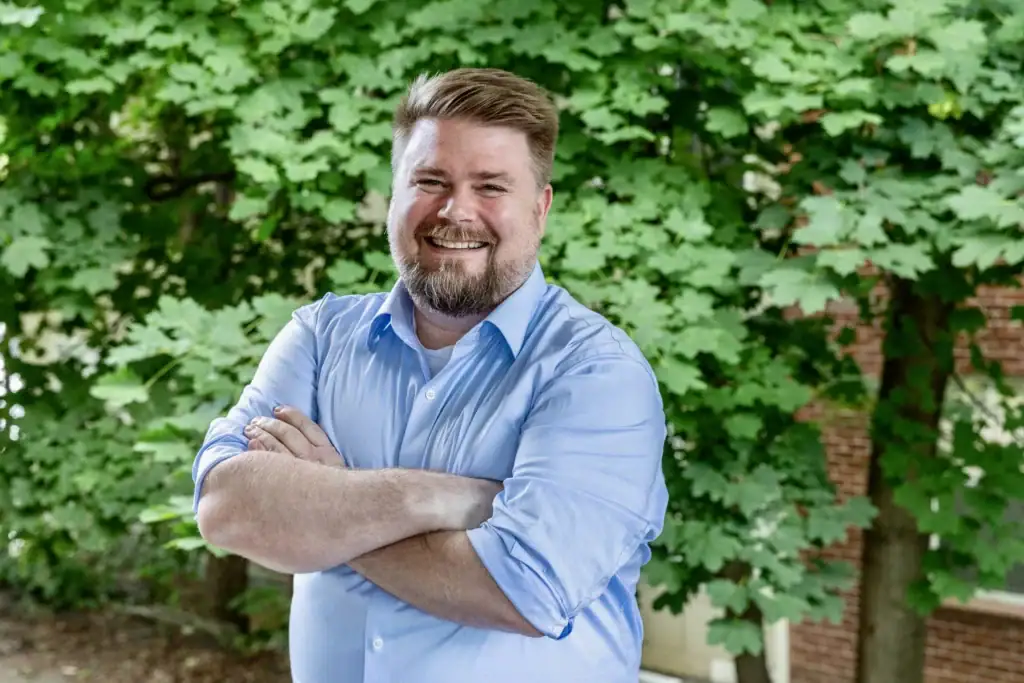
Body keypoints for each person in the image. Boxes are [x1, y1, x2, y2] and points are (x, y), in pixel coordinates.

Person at [192, 67, 669, 683]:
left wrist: (326, 503)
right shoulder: (320, 337)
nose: (455, 210)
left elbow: (524, 589)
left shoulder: (596, 372)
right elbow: (226, 506)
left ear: (540, 208)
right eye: (430, 181)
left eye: (490, 186)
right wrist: (437, 498)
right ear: (395, 194)